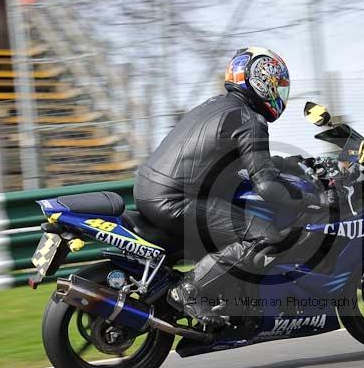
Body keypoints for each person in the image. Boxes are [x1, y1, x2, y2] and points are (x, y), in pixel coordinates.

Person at [134, 47, 336, 327]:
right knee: (264, 235)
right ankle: (190, 290)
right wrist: (310, 199)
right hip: (174, 200)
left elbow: (250, 159)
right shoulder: (249, 119)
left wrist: (292, 164)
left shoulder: (219, 105)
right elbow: (266, 185)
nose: (279, 93)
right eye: (276, 86)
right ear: (260, 81)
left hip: (150, 189)